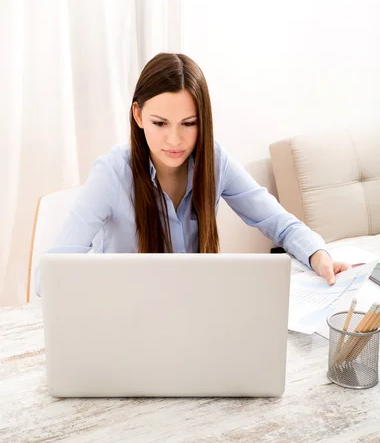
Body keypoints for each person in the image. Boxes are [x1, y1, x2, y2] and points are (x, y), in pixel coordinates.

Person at [35, 53, 349, 295]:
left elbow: (278, 222)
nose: (175, 140)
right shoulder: (112, 173)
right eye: (160, 123)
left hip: (196, 314)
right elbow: (47, 278)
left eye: (189, 123)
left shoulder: (214, 160)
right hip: (128, 321)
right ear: (138, 115)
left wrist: (318, 255)